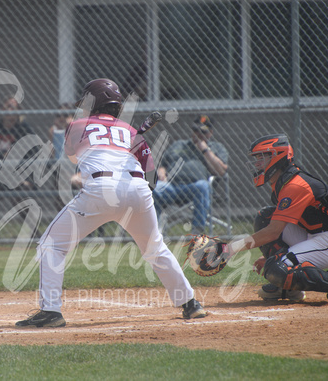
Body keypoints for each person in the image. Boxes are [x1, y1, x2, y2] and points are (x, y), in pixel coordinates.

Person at [16, 78, 207, 328]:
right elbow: (150, 173)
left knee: (51, 245)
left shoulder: (78, 125)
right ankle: (191, 304)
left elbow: (73, 156)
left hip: (100, 188)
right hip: (138, 188)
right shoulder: (130, 132)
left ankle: (51, 311)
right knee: (155, 249)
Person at [216, 134, 328, 304]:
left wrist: (229, 249)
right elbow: (273, 227)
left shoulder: (295, 185)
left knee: (277, 267)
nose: (257, 163)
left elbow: (273, 232)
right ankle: (287, 285)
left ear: (277, 156)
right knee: (265, 217)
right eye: (256, 158)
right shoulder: (281, 183)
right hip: (313, 235)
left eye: (262, 157)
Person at [152, 115, 228, 234]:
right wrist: (161, 172)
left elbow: (221, 171)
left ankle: (197, 232)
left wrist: (205, 150)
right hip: (172, 187)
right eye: (196, 130)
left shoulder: (217, 147)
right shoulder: (178, 144)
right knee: (155, 188)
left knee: (203, 186)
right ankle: (152, 232)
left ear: (210, 133)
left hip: (194, 188)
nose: (198, 134)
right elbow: (163, 165)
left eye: (202, 132)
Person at [0, 96, 36, 230]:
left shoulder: (24, 128)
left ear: (18, 111)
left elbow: (34, 152)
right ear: (1, 110)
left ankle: (34, 232)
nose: (9, 110)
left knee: (19, 195)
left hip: (21, 174)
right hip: (1, 174)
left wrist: (16, 156)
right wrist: (1, 158)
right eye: (6, 107)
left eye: (13, 107)